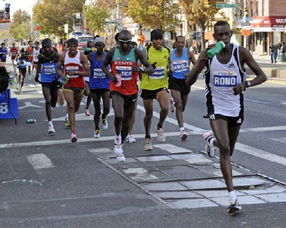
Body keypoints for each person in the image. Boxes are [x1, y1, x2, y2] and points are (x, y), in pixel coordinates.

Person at [185, 21, 267, 214]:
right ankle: (233, 198)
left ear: (231, 34)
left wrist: (245, 85)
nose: (223, 39)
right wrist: (202, 61)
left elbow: (262, 76)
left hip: (236, 107)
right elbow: (188, 81)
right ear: (214, 36)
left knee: (228, 151)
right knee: (225, 148)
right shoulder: (208, 54)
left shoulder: (241, 53)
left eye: (226, 35)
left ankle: (210, 140)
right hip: (216, 105)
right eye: (219, 35)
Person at [102, 30, 154, 161]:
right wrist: (110, 75)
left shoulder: (136, 52)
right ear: (118, 42)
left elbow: (150, 69)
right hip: (117, 88)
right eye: (122, 43)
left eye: (127, 43)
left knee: (127, 121)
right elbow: (103, 66)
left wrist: (139, 69)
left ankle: (120, 143)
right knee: (119, 114)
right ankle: (117, 136)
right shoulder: (113, 52)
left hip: (131, 90)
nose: (125, 45)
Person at [140, 29, 170, 151]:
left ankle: (159, 126)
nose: (158, 41)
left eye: (160, 39)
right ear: (151, 40)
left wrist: (170, 71)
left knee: (165, 107)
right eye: (156, 39)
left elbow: (169, 65)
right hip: (147, 86)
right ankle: (147, 137)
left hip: (161, 84)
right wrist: (148, 69)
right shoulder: (145, 51)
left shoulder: (167, 51)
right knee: (149, 114)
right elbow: (139, 67)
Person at [57, 38, 90, 143]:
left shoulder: (82, 57)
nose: (72, 48)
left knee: (75, 108)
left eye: (74, 46)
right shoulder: (63, 56)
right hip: (68, 85)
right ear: (67, 47)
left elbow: (88, 73)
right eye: (70, 46)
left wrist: (77, 72)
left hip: (79, 85)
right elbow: (58, 68)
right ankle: (73, 133)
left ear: (77, 46)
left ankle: (70, 117)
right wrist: (62, 75)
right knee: (71, 106)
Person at [169, 35, 196, 141]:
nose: (180, 44)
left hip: (185, 82)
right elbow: (165, 65)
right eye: (178, 42)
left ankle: (173, 102)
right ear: (175, 43)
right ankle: (182, 130)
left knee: (182, 107)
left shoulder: (188, 53)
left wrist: (190, 72)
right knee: (179, 105)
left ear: (184, 44)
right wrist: (168, 70)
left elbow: (197, 65)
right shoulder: (170, 54)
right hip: (174, 81)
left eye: (182, 43)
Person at [35, 38, 59, 135]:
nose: (46, 49)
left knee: (53, 101)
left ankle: (52, 105)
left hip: (55, 79)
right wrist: (37, 75)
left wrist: (61, 76)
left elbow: (61, 65)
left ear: (51, 46)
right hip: (45, 80)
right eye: (44, 47)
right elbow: (39, 66)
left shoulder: (56, 55)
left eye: (47, 47)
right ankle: (50, 125)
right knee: (48, 101)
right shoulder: (41, 56)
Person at [88, 37, 110, 138]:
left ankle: (104, 117)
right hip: (94, 85)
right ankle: (97, 128)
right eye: (97, 46)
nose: (99, 47)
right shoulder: (90, 56)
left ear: (103, 46)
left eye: (100, 45)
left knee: (107, 107)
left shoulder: (108, 56)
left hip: (105, 84)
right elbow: (82, 59)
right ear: (95, 47)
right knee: (97, 110)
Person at [83, 40, 95, 116]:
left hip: (93, 77)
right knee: (88, 93)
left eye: (93, 46)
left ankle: (87, 109)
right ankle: (83, 92)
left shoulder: (96, 55)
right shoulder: (84, 55)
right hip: (85, 77)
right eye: (90, 46)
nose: (92, 48)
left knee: (90, 94)